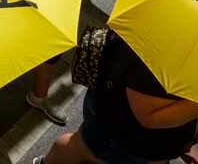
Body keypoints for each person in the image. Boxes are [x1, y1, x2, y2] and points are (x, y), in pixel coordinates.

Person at [35, 36, 198, 164]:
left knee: (82, 145)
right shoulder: (167, 48)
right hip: (125, 129)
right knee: (84, 147)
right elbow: (147, 116)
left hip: (117, 110)